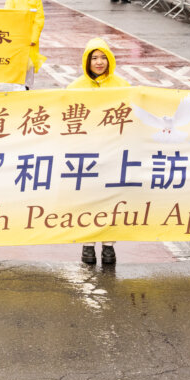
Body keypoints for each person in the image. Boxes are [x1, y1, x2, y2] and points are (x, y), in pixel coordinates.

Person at [67, 37, 128, 266]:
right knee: (87, 199)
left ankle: (109, 246)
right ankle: (88, 245)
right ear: (87, 61)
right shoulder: (75, 88)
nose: (99, 62)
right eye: (94, 58)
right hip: (86, 153)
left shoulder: (123, 86)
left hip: (113, 152)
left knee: (111, 199)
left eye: (103, 57)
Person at [4, 0, 46, 88]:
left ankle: (27, 89)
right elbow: (7, 15)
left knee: (29, 64)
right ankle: (17, 88)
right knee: (16, 64)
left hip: (30, 39)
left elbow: (39, 20)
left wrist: (34, 38)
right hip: (17, 38)